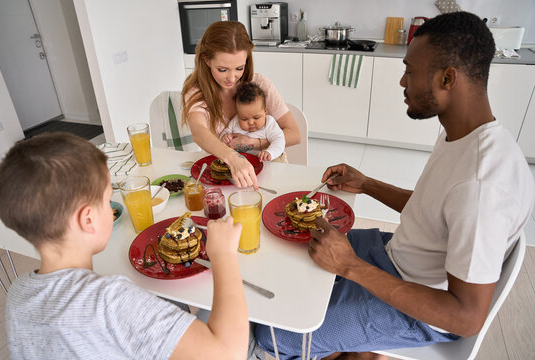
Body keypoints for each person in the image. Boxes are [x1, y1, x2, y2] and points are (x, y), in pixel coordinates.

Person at [254, 11, 534, 360]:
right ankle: (356, 348)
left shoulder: (482, 185)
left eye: (410, 71)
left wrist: (350, 267)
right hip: (397, 256)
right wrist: (367, 184)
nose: (403, 82)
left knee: (271, 333)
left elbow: (465, 318)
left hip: (421, 309)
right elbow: (435, 212)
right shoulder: (465, 135)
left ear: (447, 78)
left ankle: (358, 347)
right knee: (291, 249)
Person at [0, 133, 249, 359]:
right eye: (108, 200)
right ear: (88, 220)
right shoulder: (110, 302)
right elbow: (228, 353)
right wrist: (224, 254)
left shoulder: (18, 293)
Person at [181, 21, 301, 190]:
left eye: (239, 68)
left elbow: (295, 134)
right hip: (224, 177)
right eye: (222, 69)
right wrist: (232, 157)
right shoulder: (197, 92)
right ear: (206, 60)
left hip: (268, 174)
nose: (232, 78)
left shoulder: (259, 84)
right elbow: (199, 132)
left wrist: (253, 143)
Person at [221, 81, 286, 162]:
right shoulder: (235, 122)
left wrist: (270, 152)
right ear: (238, 115)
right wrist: (225, 137)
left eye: (256, 117)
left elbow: (279, 140)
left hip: (268, 158)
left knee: (279, 161)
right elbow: (226, 132)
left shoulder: (269, 123)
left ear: (265, 111)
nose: (251, 122)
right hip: (245, 161)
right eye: (244, 119)